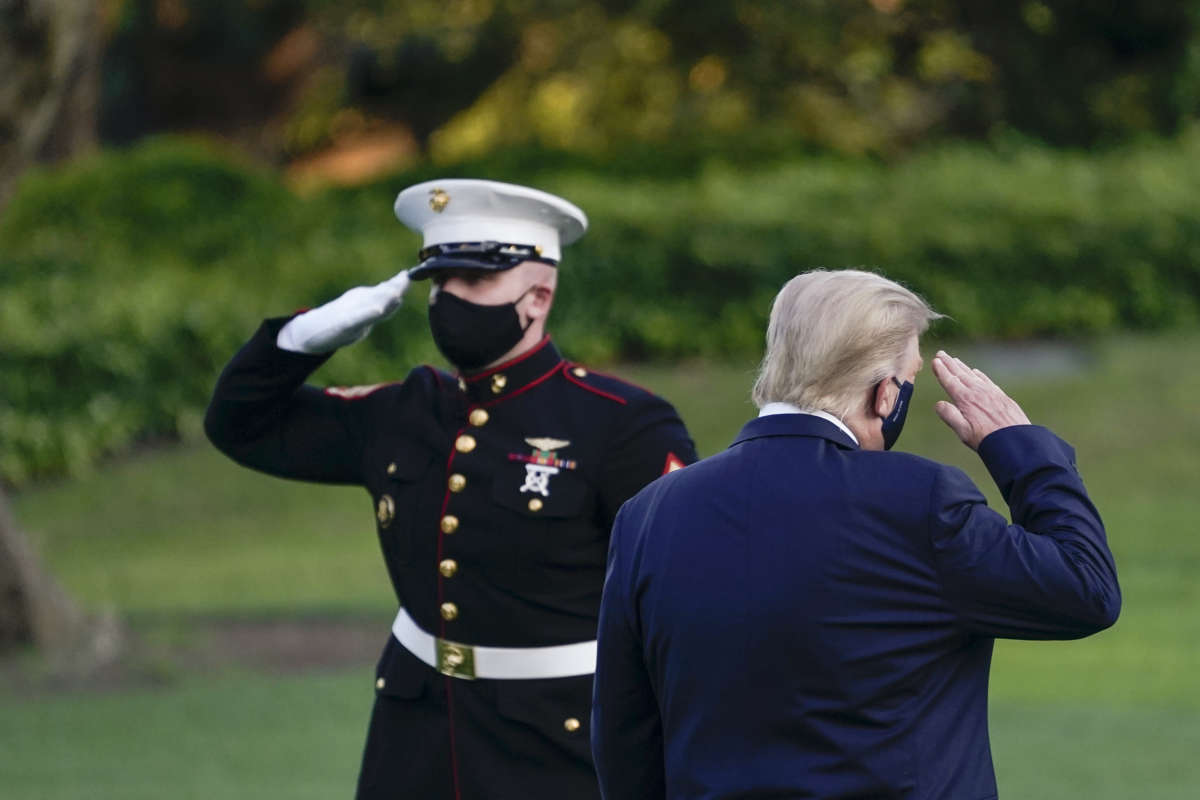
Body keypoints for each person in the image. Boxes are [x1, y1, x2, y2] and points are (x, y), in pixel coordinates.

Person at [204, 179, 698, 799]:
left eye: (474, 281)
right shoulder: (404, 412)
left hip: (557, 740)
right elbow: (239, 426)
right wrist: (300, 341)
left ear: (538, 296)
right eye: (439, 282)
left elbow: (687, 591)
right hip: (415, 732)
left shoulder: (620, 423)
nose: (448, 300)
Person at [591, 269, 1121, 800]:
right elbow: (1085, 589)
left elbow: (624, 735)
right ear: (886, 393)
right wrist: (1021, 449)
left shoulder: (649, 514)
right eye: (910, 375)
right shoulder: (919, 502)